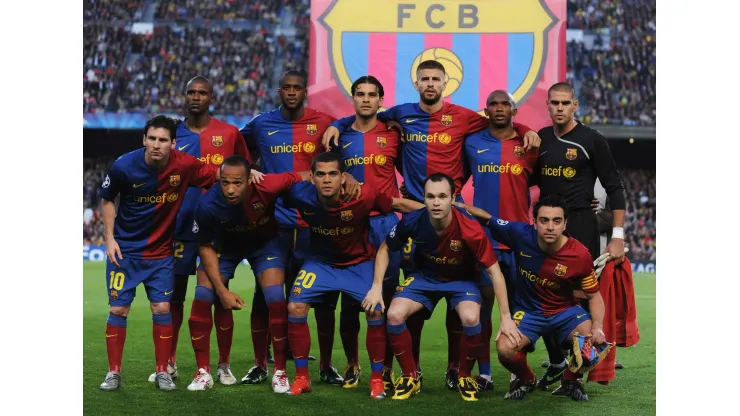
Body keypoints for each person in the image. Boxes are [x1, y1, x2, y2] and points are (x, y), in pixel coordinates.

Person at [323, 60, 540, 388]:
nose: (429, 84)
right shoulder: (401, 114)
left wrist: (526, 130)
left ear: (445, 83)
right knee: (414, 300)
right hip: (413, 213)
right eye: (424, 78)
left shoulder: (464, 117)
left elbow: (500, 122)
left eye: (435, 79)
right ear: (417, 82)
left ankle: (456, 369)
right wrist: (338, 123)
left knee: (457, 292)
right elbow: (366, 117)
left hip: (452, 213)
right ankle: (414, 368)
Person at [281, 152, 424, 398]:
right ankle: (302, 378)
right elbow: (271, 189)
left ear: (343, 177)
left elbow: (398, 204)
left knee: (376, 309)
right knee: (295, 307)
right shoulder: (299, 194)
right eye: (321, 174)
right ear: (312, 178)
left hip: (359, 263)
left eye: (333, 174)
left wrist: (438, 212)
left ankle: (377, 380)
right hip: (321, 263)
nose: (327, 180)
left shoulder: (363, 194)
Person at [240, 70, 351, 384]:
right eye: (286, 87)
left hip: (313, 227)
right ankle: (261, 364)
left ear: (305, 91)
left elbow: (345, 127)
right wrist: (247, 171)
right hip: (272, 226)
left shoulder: (323, 122)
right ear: (279, 91)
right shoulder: (262, 124)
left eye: (297, 88)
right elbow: (236, 145)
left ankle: (327, 366)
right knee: (265, 297)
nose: (291, 92)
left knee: (324, 299)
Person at [98, 115, 219, 391]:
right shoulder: (124, 166)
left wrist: (251, 172)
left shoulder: (186, 166)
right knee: (118, 308)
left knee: (162, 308)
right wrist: (109, 239)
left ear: (173, 143)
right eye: (151, 138)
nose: (156, 144)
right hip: (125, 253)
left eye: (163, 140)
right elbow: (107, 199)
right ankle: (113, 373)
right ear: (143, 139)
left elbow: (218, 176)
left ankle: (163, 371)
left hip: (162, 254)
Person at [378, 173, 521, 402]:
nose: (436, 202)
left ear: (453, 198)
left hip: (462, 281)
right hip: (425, 278)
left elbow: (495, 272)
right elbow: (386, 248)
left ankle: (464, 375)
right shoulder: (413, 220)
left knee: (471, 318)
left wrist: (505, 317)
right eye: (431, 196)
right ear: (423, 198)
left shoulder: (470, 229)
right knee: (394, 315)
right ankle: (410, 376)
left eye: (442, 196)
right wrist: (376, 287)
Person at [149, 76, 252, 385]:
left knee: (216, 295)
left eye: (202, 93)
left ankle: (222, 365)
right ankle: (168, 363)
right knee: (174, 297)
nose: (196, 97)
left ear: (212, 97)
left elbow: (244, 174)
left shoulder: (230, 133)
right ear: (185, 95)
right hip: (177, 228)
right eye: (191, 92)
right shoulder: (171, 134)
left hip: (219, 231)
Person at [455, 195, 607, 401]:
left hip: (565, 312)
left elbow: (594, 295)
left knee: (592, 344)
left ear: (565, 224)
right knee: (505, 349)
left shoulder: (580, 255)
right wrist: (460, 206)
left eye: (556, 221)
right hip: (528, 312)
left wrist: (597, 326)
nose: (550, 227)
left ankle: (570, 379)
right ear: (534, 223)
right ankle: (528, 379)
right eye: (544, 220)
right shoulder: (520, 235)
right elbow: (488, 219)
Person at [185, 155, 310, 392]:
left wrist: (339, 177)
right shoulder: (208, 204)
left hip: (265, 246)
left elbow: (304, 176)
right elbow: (204, 247)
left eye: (237, 183)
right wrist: (222, 292)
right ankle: (204, 371)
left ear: (250, 180)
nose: (230, 190)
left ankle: (280, 372)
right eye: (225, 182)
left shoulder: (268, 184)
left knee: (275, 299)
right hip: (225, 248)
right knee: (202, 297)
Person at [535, 82, 626, 378]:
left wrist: (617, 237)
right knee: (548, 293)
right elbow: (525, 180)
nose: (559, 108)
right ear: (547, 105)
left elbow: (615, 188)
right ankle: (560, 359)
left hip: (582, 226)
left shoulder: (592, 140)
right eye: (554, 103)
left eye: (565, 103)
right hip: (548, 229)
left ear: (575, 105)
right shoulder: (541, 139)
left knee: (582, 294)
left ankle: (580, 364)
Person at [462, 90, 539, 391]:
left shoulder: (529, 144)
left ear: (514, 111)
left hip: (520, 240)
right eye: (493, 104)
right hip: (486, 240)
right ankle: (485, 374)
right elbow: (456, 180)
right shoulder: (473, 143)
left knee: (520, 310)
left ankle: (516, 370)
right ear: (485, 110)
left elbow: (544, 184)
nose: (498, 108)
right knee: (483, 308)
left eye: (504, 104)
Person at [331, 75, 403, 391]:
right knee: (349, 301)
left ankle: (386, 368)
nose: (365, 100)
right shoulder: (338, 137)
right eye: (360, 94)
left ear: (380, 100)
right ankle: (352, 363)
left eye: (372, 95)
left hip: (387, 224)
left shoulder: (393, 134)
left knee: (386, 298)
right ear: (353, 98)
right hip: (351, 225)